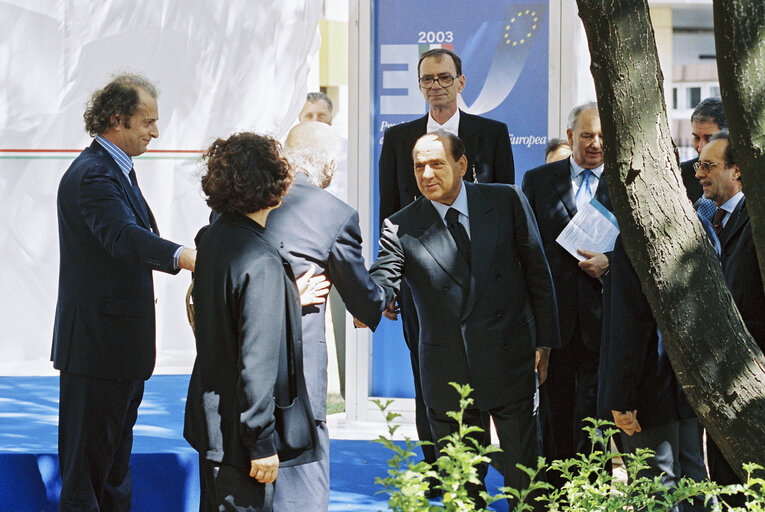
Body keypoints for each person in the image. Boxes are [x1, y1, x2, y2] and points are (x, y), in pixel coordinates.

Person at [366, 130, 558, 509]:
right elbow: (383, 275)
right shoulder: (400, 225)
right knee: (463, 489)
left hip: (510, 358)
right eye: (419, 166)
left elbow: (538, 273)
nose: (426, 174)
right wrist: (368, 302)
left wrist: (545, 342)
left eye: (437, 163)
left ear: (461, 164)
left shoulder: (506, 201)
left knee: (525, 482)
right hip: (448, 369)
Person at [52, 73, 196, 510]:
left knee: (113, 473)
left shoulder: (114, 169)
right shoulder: (95, 174)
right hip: (98, 351)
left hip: (115, 352)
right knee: (89, 478)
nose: (156, 132)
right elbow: (122, 237)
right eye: (147, 122)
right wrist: (186, 257)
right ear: (117, 120)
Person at [377, 47, 515, 470]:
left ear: (461, 82)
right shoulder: (399, 139)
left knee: (487, 376)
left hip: (481, 289)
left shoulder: (490, 134)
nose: (435, 86)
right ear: (419, 85)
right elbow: (391, 211)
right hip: (423, 285)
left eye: (443, 77)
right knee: (429, 378)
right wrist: (392, 285)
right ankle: (439, 469)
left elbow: (504, 215)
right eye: (427, 79)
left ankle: (483, 466)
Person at [185, 132, 320, 511]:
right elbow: (256, 361)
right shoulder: (258, 259)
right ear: (273, 184)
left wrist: (286, 295)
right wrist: (260, 443)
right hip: (240, 437)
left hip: (214, 422)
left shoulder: (213, 238)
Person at [266, 121, 387, 511]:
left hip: (238, 371)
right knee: (301, 488)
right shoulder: (333, 213)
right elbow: (364, 299)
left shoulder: (241, 202)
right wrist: (386, 284)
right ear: (329, 166)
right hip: (297, 380)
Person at [521, 103, 611, 479]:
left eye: (602, 136)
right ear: (571, 136)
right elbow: (526, 253)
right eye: (587, 135)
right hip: (554, 325)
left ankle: (592, 494)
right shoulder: (539, 181)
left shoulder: (625, 181)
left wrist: (612, 263)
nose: (595, 144)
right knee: (554, 417)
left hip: (605, 321)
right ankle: (554, 494)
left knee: (596, 422)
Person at [600, 229, 718, 512]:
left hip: (648, 386)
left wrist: (620, 398)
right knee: (694, 480)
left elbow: (630, 325)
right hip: (692, 380)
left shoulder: (635, 237)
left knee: (655, 488)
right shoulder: (701, 226)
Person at [694, 130, 765, 503]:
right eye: (698, 165)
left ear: (737, 171)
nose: (699, 173)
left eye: (709, 165)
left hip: (752, 370)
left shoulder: (757, 219)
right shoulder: (699, 218)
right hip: (713, 375)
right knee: (720, 478)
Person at [680, 97, 727, 218]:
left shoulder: (751, 180)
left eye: (709, 139)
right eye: (696, 138)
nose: (701, 148)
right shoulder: (680, 176)